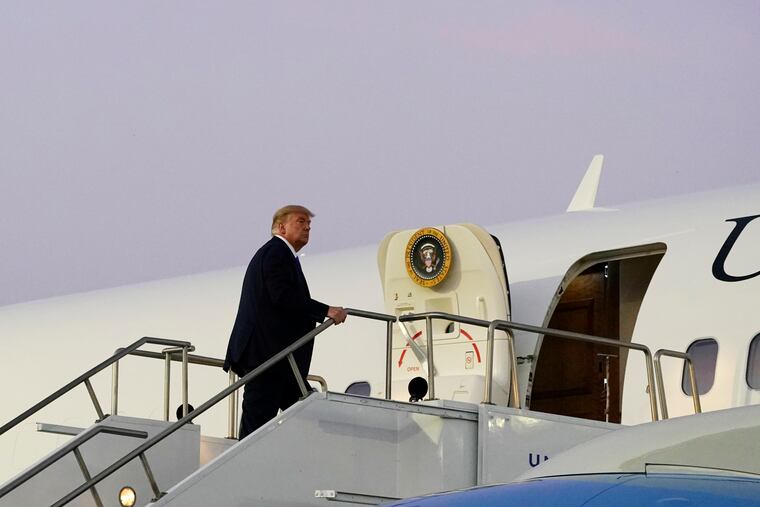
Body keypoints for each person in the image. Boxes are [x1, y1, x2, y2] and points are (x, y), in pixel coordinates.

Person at [223, 205, 347, 439]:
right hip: (268, 357)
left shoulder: (283, 255)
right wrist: (325, 310)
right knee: (258, 422)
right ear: (281, 227)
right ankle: (249, 467)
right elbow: (281, 296)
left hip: (280, 359)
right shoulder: (276, 253)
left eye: (309, 224)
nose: (307, 227)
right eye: (301, 222)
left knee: (303, 412)